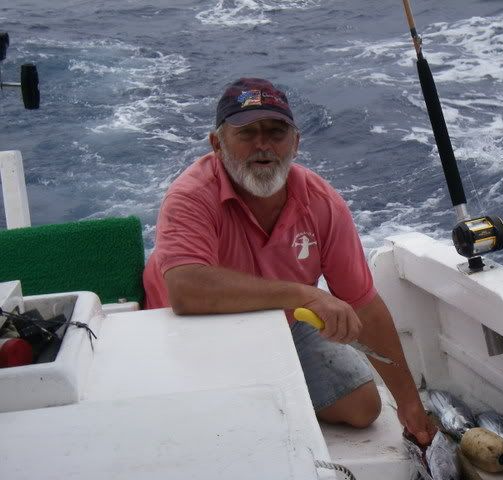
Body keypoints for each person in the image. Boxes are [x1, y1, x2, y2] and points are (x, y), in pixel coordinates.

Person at [143, 77, 438, 446]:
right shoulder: (190, 196)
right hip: (192, 329)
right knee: (224, 429)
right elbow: (186, 290)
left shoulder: (321, 202)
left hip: (282, 320)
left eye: (276, 132)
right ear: (217, 144)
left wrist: (408, 401)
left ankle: (270, 385)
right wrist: (305, 295)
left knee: (363, 408)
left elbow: (363, 304)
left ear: (295, 142)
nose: (263, 145)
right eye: (247, 133)